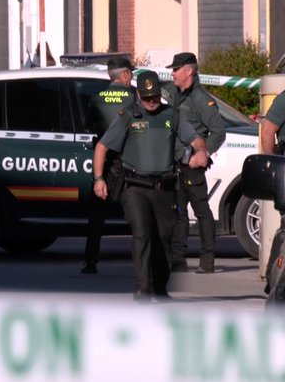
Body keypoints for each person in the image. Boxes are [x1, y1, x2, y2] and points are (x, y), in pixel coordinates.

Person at [92, 70, 208, 302]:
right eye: (146, 98)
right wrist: (98, 179)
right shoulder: (128, 116)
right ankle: (143, 289)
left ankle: (159, 287)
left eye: (154, 96)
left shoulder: (172, 116)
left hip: (163, 188)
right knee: (142, 234)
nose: (151, 102)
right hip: (134, 186)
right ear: (138, 96)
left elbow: (195, 139)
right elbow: (102, 147)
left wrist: (201, 152)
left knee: (164, 238)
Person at [164, 52, 225, 274]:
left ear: (189, 71)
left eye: (176, 69)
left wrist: (204, 153)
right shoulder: (172, 93)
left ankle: (207, 260)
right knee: (177, 213)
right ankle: (178, 260)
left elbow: (218, 132)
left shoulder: (201, 100)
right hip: (173, 163)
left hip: (191, 167)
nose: (173, 73)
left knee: (201, 212)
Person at [80, 56, 135, 274]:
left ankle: (90, 262)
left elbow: (89, 126)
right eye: (131, 73)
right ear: (124, 74)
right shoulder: (134, 97)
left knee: (96, 218)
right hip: (130, 162)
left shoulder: (97, 97)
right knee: (137, 215)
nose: (132, 77)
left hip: (103, 162)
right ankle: (143, 263)